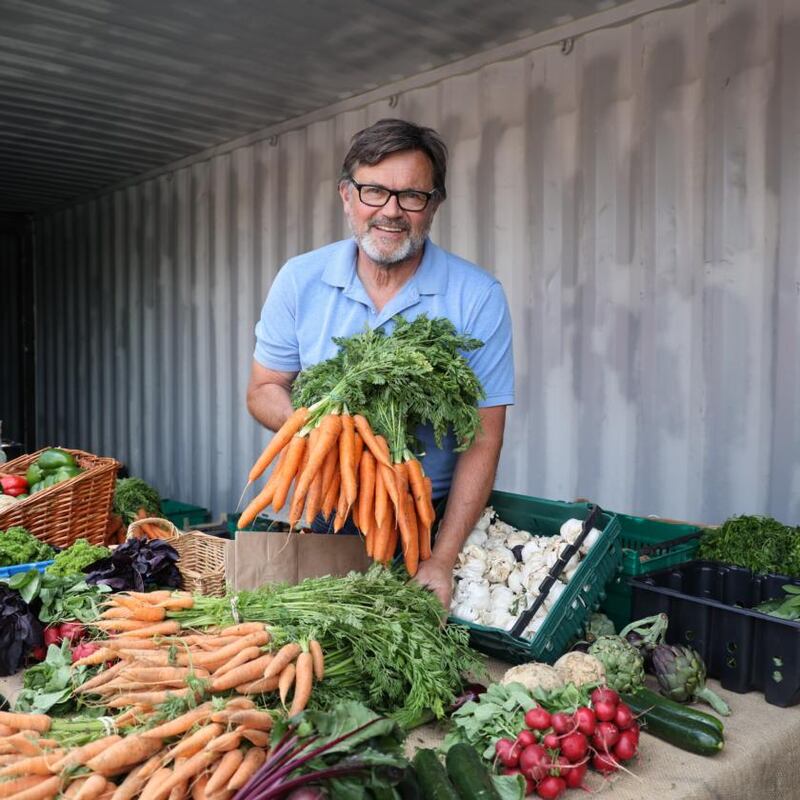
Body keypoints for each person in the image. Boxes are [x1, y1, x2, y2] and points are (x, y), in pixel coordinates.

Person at [246, 118, 514, 607]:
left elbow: (485, 436)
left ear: (433, 205)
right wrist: (320, 429)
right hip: (329, 505)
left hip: (429, 518)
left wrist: (441, 559)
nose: (390, 211)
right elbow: (264, 388)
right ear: (347, 196)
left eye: (411, 196)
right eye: (374, 191)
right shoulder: (300, 279)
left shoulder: (477, 296)